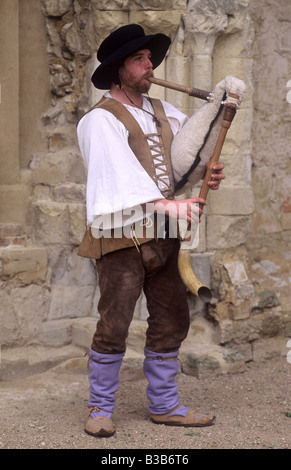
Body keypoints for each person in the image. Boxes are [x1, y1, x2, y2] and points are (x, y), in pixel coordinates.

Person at [77, 24, 225, 438]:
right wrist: (167, 204)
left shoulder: (166, 112)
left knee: (172, 320)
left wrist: (204, 174)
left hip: (164, 236)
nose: (150, 66)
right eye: (140, 59)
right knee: (115, 323)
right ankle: (100, 407)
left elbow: (181, 166)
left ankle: (164, 405)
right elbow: (116, 175)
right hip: (121, 237)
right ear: (117, 69)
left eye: (150, 58)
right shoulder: (99, 120)